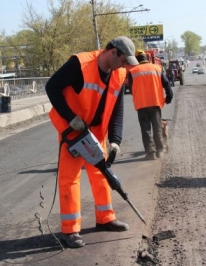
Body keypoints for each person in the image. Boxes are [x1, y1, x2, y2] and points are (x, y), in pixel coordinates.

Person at [45, 36, 139, 248]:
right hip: (73, 130)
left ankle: (105, 218)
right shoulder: (80, 64)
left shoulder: (119, 73)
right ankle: (70, 230)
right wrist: (70, 118)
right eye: (124, 60)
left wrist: (115, 141)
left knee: (101, 173)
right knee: (70, 178)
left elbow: (117, 109)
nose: (124, 66)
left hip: (96, 131)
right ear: (113, 52)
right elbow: (52, 87)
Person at [128, 49, 173, 160]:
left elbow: (131, 89)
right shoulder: (157, 68)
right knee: (157, 127)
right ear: (146, 58)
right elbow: (166, 84)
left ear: (136, 59)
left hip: (141, 104)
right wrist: (169, 97)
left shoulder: (133, 71)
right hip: (155, 102)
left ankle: (151, 152)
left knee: (145, 128)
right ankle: (159, 150)